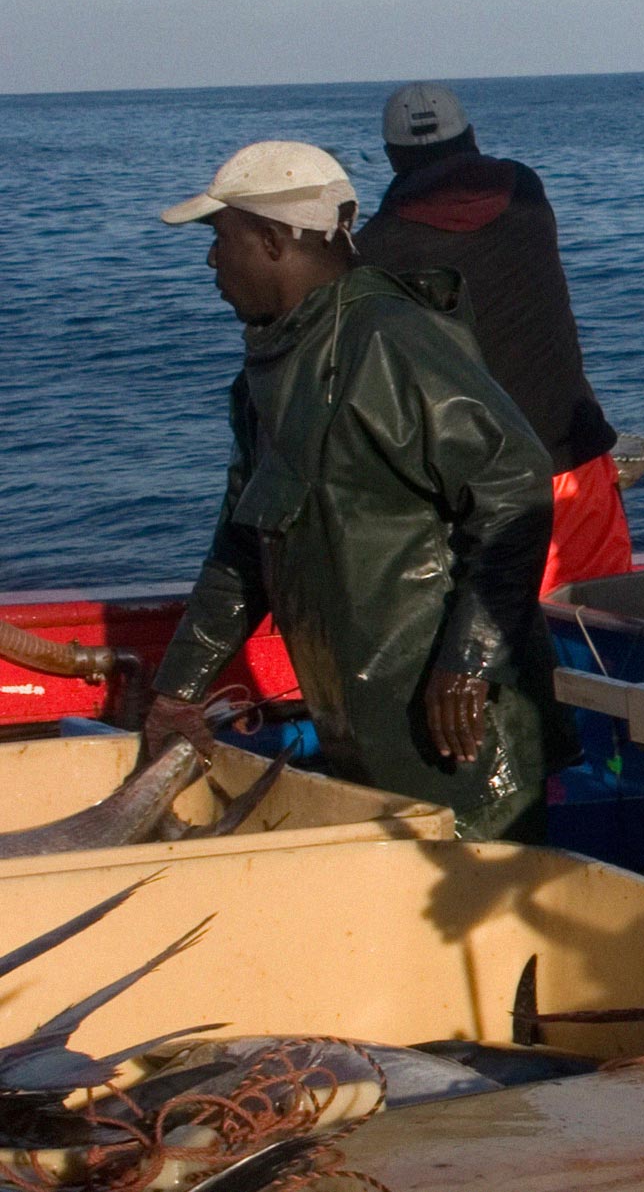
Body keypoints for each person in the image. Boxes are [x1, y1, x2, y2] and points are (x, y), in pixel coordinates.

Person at [144, 141, 571, 842]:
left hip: (455, 725)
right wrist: (180, 687)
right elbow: (245, 541)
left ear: (273, 240)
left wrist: (468, 661)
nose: (213, 264)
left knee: (475, 907)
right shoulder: (272, 370)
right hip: (360, 717)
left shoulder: (390, 340)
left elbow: (513, 483)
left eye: (221, 241)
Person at [356, 82, 631, 593]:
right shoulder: (526, 193)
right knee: (603, 618)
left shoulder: (377, 247)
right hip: (573, 457)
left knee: (502, 636)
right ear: (473, 135)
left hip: (478, 484)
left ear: (393, 156)